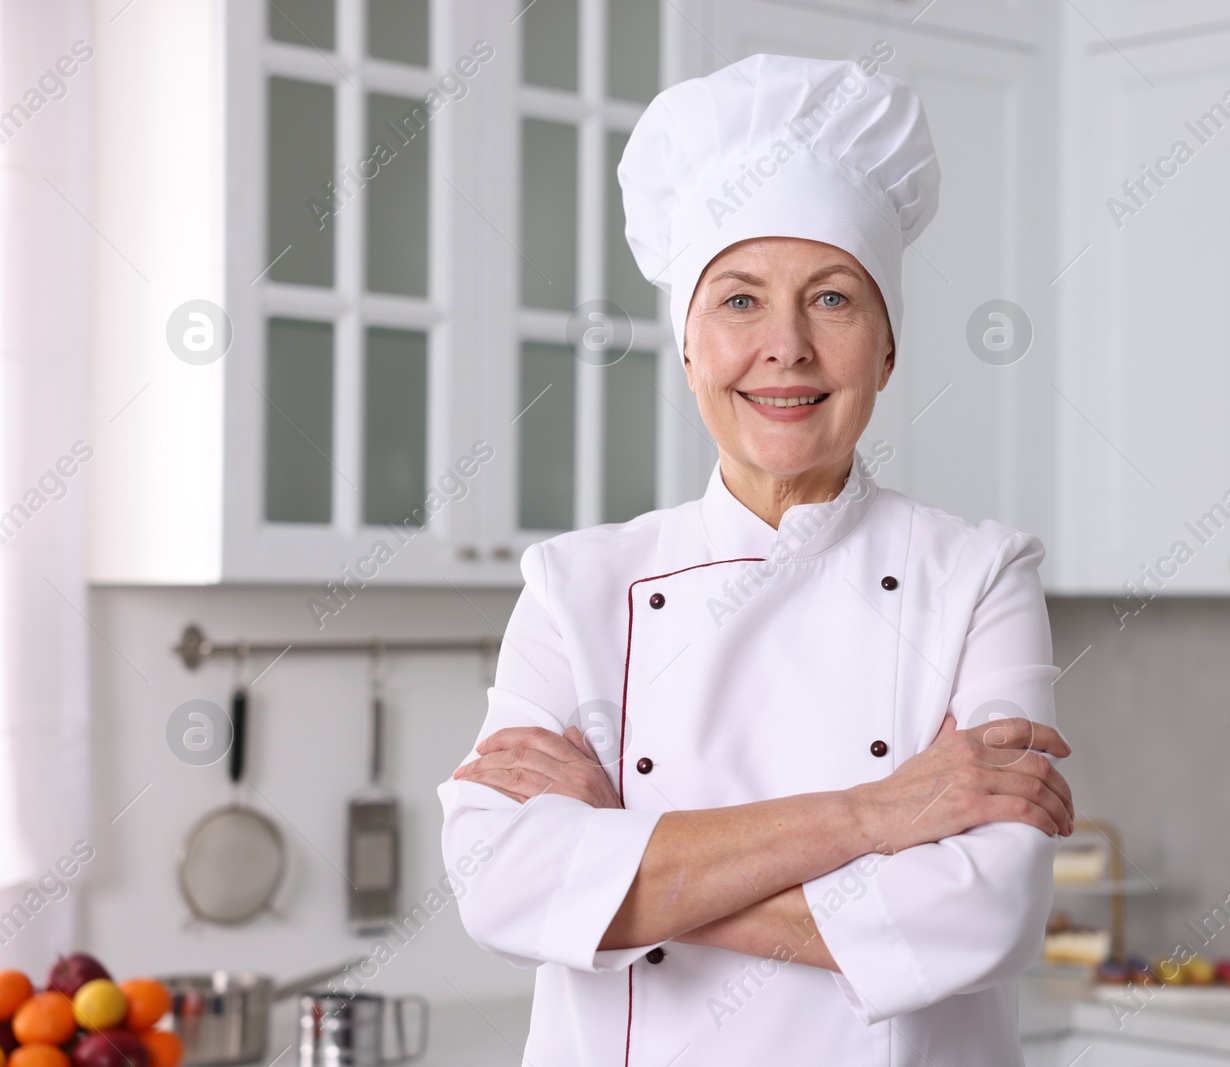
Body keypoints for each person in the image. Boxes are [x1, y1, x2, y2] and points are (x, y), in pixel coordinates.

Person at [439, 52, 1074, 1066]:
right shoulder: (575, 586)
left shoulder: (979, 574)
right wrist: (884, 810)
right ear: (688, 345)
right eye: (737, 300)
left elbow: (984, 915)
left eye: (831, 299)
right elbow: (500, 885)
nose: (785, 346)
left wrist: (621, 853)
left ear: (887, 346)